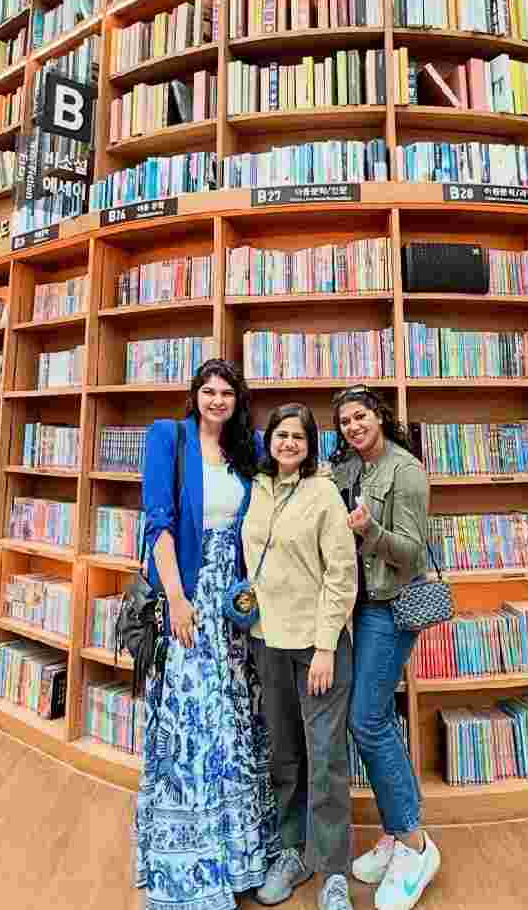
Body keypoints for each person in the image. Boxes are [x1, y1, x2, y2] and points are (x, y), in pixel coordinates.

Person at [135, 359, 275, 910]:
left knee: (236, 721)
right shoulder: (168, 438)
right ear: (194, 395)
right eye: (208, 390)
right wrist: (176, 599)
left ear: (238, 401)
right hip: (189, 596)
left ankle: (239, 856)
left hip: (235, 606)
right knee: (193, 722)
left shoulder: (249, 447)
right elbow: (159, 524)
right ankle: (189, 866)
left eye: (227, 393)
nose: (217, 400)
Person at [328, 386, 440, 910]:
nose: (354, 426)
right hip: (357, 604)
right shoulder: (350, 466)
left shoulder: (406, 470)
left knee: (368, 721)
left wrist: (371, 532)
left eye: (361, 416)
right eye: (345, 421)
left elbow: (413, 553)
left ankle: (415, 844)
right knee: (375, 720)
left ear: (379, 416)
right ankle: (397, 832)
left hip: (389, 607)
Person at [244, 403, 358, 910]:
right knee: (285, 755)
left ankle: (332, 871)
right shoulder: (256, 487)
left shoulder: (323, 492)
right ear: (268, 439)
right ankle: (292, 852)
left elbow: (342, 574)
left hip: (318, 648)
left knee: (326, 759)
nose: (289, 443)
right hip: (267, 639)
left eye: (299, 436)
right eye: (281, 434)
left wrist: (327, 645)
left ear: (311, 445)